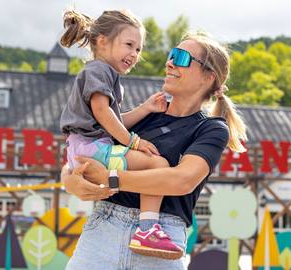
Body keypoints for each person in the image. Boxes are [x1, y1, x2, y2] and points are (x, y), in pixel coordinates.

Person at [62, 33, 247, 269]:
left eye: (181, 58)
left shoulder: (211, 129)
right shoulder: (143, 115)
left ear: (208, 77)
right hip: (103, 231)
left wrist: (110, 179)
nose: (169, 63)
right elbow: (88, 151)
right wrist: (69, 180)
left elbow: (182, 180)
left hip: (162, 241)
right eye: (171, 55)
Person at [58, 9, 183, 259]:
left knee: (152, 163)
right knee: (157, 164)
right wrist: (134, 142)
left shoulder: (103, 73)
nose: (134, 54)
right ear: (102, 41)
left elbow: (112, 121)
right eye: (129, 45)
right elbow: (103, 112)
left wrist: (145, 108)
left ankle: (147, 228)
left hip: (85, 147)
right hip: (91, 148)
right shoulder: (99, 71)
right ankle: (148, 229)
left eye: (138, 49)